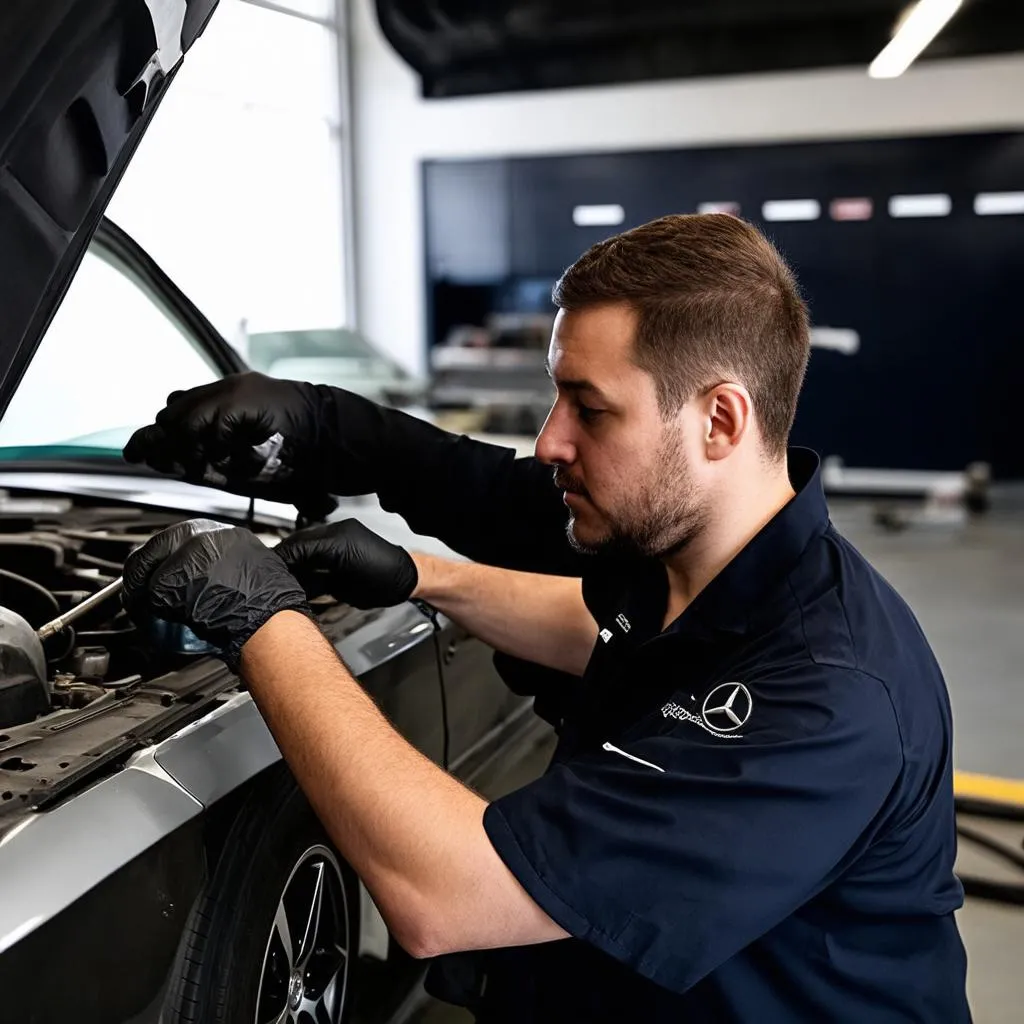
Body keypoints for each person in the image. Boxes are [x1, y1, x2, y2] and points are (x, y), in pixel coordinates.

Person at [122, 213, 970, 1023]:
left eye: (590, 408)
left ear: (719, 420)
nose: (553, 439)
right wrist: (345, 460)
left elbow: (446, 896)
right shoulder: (689, 554)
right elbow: (567, 591)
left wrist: (265, 621)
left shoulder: (829, 698)